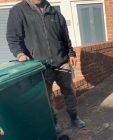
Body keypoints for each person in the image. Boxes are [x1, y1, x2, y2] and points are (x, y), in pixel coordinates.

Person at [6, 0, 85, 130]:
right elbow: (13, 38)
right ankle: (54, 124)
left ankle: (74, 117)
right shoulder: (18, 11)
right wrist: (19, 54)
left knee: (69, 91)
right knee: (46, 98)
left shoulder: (55, 13)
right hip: (40, 65)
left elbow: (65, 37)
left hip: (62, 61)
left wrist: (71, 54)